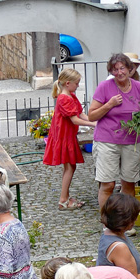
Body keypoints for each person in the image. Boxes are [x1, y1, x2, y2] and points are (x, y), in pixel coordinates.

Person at [88, 53, 140, 208]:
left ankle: (127, 222)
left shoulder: (138, 87)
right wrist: (109, 104)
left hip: (131, 141)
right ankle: (107, 223)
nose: (119, 72)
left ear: (130, 69)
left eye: (122, 68)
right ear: (111, 72)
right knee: (108, 184)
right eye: (115, 70)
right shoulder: (105, 87)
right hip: (107, 139)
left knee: (129, 183)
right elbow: (91, 116)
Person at [43, 68, 92, 210]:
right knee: (70, 167)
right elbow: (75, 120)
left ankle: (65, 197)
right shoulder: (64, 98)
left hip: (67, 135)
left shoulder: (70, 95)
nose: (78, 86)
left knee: (70, 166)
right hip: (63, 136)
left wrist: (94, 121)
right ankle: (63, 200)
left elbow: (81, 114)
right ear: (68, 83)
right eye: (77, 83)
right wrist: (93, 124)